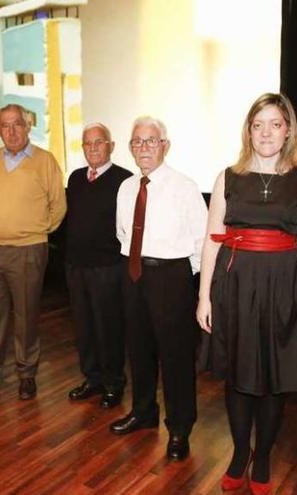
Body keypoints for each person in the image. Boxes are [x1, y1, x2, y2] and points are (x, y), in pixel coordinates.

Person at [197, 93, 297, 493]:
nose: (266, 132)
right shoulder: (227, 177)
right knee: (237, 377)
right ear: (249, 131)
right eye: (258, 124)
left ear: (288, 132)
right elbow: (212, 241)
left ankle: (262, 454)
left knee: (274, 378)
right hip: (235, 287)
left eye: (275, 124)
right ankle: (238, 452)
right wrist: (203, 298)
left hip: (283, 289)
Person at [109, 116, 207, 462]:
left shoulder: (185, 186)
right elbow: (124, 234)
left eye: (151, 141)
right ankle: (143, 411)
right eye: (137, 141)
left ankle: (180, 428)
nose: (144, 147)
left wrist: (181, 279)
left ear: (166, 145)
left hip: (171, 277)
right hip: (133, 272)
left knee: (176, 356)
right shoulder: (125, 187)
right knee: (138, 349)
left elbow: (201, 241)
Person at [0, 104, 67, 402]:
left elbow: (58, 205)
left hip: (28, 250)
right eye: (4, 126)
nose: (11, 131)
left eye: (17, 124)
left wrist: (34, 230)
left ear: (28, 126)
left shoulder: (44, 161)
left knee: (26, 315)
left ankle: (27, 374)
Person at [65, 123, 132, 409]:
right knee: (84, 327)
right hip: (76, 266)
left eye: (98, 142)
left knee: (108, 328)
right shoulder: (77, 177)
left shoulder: (125, 180)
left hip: (108, 268)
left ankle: (113, 382)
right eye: (87, 144)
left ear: (111, 146)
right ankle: (92, 378)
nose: (92, 148)